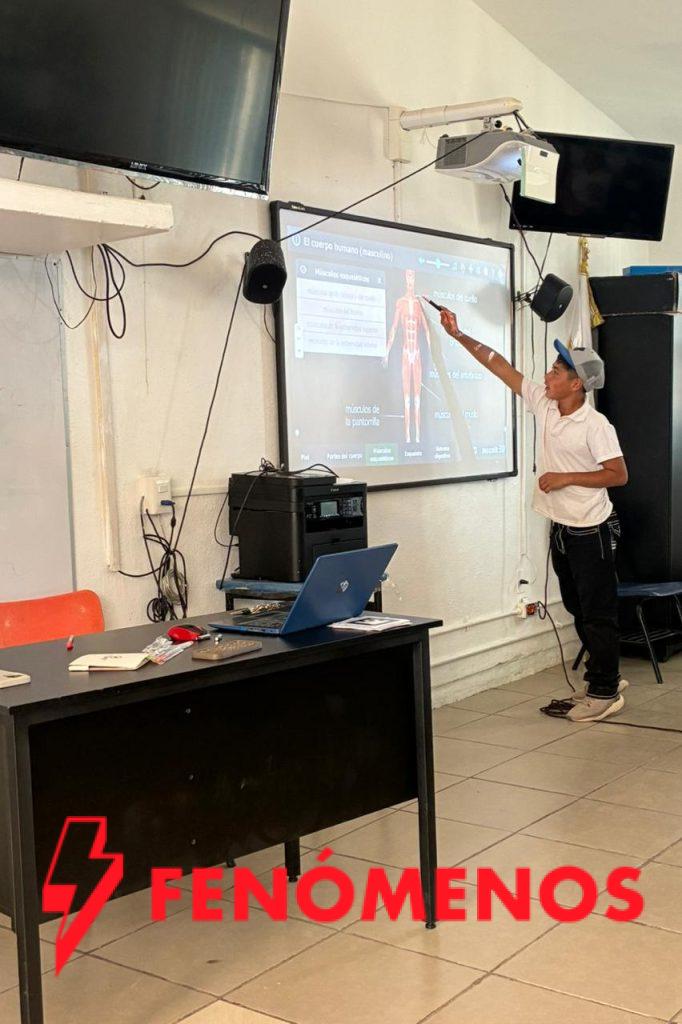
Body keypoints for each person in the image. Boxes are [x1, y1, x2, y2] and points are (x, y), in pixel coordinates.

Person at [440, 307, 629, 723]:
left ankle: (605, 691)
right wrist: (458, 335)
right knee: (577, 608)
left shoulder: (595, 425)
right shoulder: (544, 402)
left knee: (597, 613)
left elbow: (618, 474)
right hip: (562, 529)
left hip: (591, 530)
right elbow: (500, 367)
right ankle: (603, 677)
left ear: (576, 384)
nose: (547, 375)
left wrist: (565, 477)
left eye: (556, 372)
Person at [384, 269, 430, 443]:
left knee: (417, 399)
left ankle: (417, 437)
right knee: (407, 399)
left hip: (416, 352)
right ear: (405, 278)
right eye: (408, 275)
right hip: (405, 351)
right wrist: (387, 352)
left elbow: (426, 329)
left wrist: (433, 353)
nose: (411, 279)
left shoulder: (419, 304)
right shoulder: (401, 303)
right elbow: (394, 327)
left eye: (413, 276)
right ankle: (408, 438)